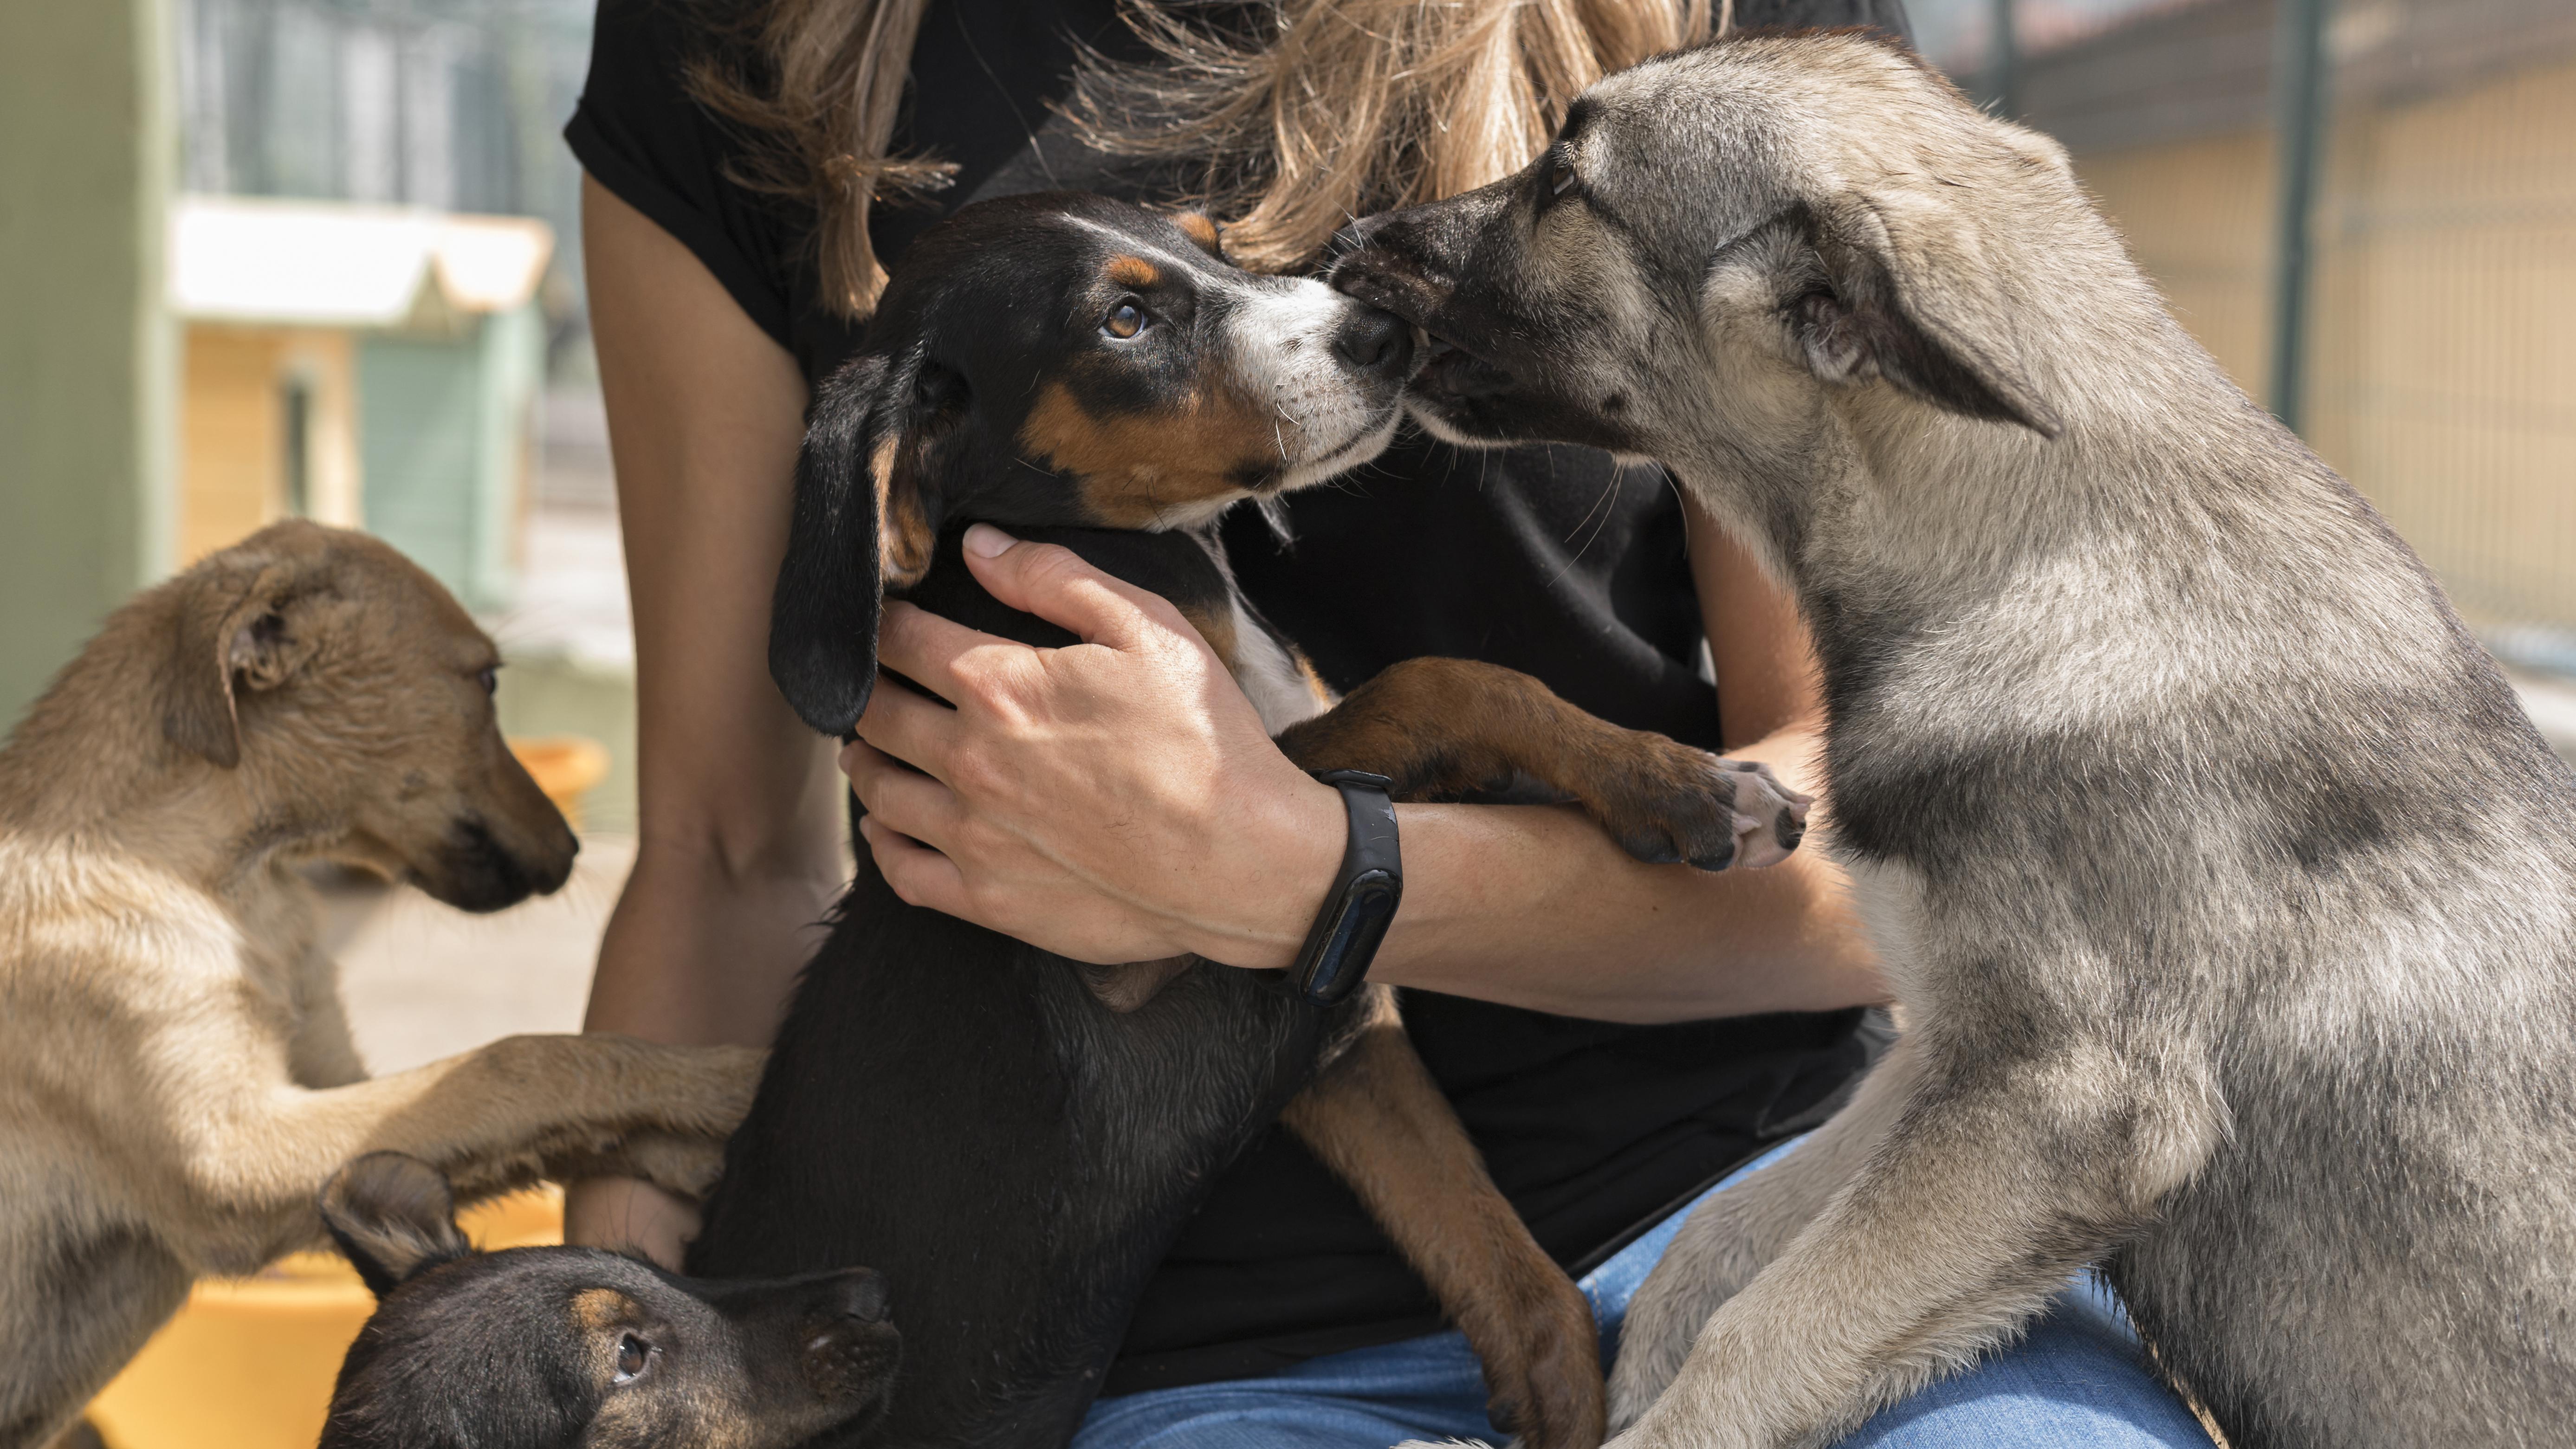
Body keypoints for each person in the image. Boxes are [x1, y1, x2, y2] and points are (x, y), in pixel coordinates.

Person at [562, 1, 2213, 1443]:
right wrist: (600, 1375)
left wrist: (1308, 872)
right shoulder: (743, 45)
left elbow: (1899, 845)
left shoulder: (1714, 44)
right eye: (1141, 313)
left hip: (1762, 1213)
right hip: (1183, 1363)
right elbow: (723, 858)